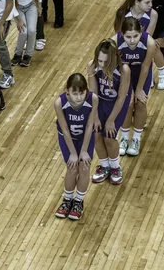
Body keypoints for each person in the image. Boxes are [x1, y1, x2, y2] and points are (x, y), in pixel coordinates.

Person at [54, 73, 97, 220]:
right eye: (75, 93)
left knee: (84, 167)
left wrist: (84, 150)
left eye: (82, 93)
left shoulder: (93, 99)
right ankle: (67, 200)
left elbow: (90, 125)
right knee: (72, 168)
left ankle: (78, 201)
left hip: (85, 137)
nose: (78, 97)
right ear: (67, 92)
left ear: (86, 91)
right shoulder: (59, 103)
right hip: (68, 139)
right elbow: (64, 129)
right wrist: (73, 152)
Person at [88, 39, 131, 186]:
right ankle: (104, 165)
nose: (102, 64)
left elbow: (121, 97)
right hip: (100, 102)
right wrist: (96, 117)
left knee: (109, 136)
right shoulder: (92, 66)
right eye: (99, 60)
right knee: (96, 133)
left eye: (105, 62)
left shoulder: (124, 69)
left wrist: (111, 120)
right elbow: (93, 93)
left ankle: (115, 167)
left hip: (116, 104)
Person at [112, 18, 155, 157]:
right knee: (127, 104)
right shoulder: (115, 43)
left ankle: (136, 138)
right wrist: (128, 90)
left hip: (141, 74)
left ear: (140, 32)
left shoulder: (149, 42)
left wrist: (138, 89)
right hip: (124, 74)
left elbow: (145, 66)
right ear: (122, 34)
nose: (132, 40)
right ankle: (124, 138)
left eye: (135, 36)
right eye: (128, 37)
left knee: (141, 103)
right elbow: (116, 68)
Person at [8, 0, 41, 68]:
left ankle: (28, 54)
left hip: (31, 6)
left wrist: (39, 6)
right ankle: (18, 54)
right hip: (18, 9)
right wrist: (18, 19)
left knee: (31, 31)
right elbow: (10, 3)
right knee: (23, 31)